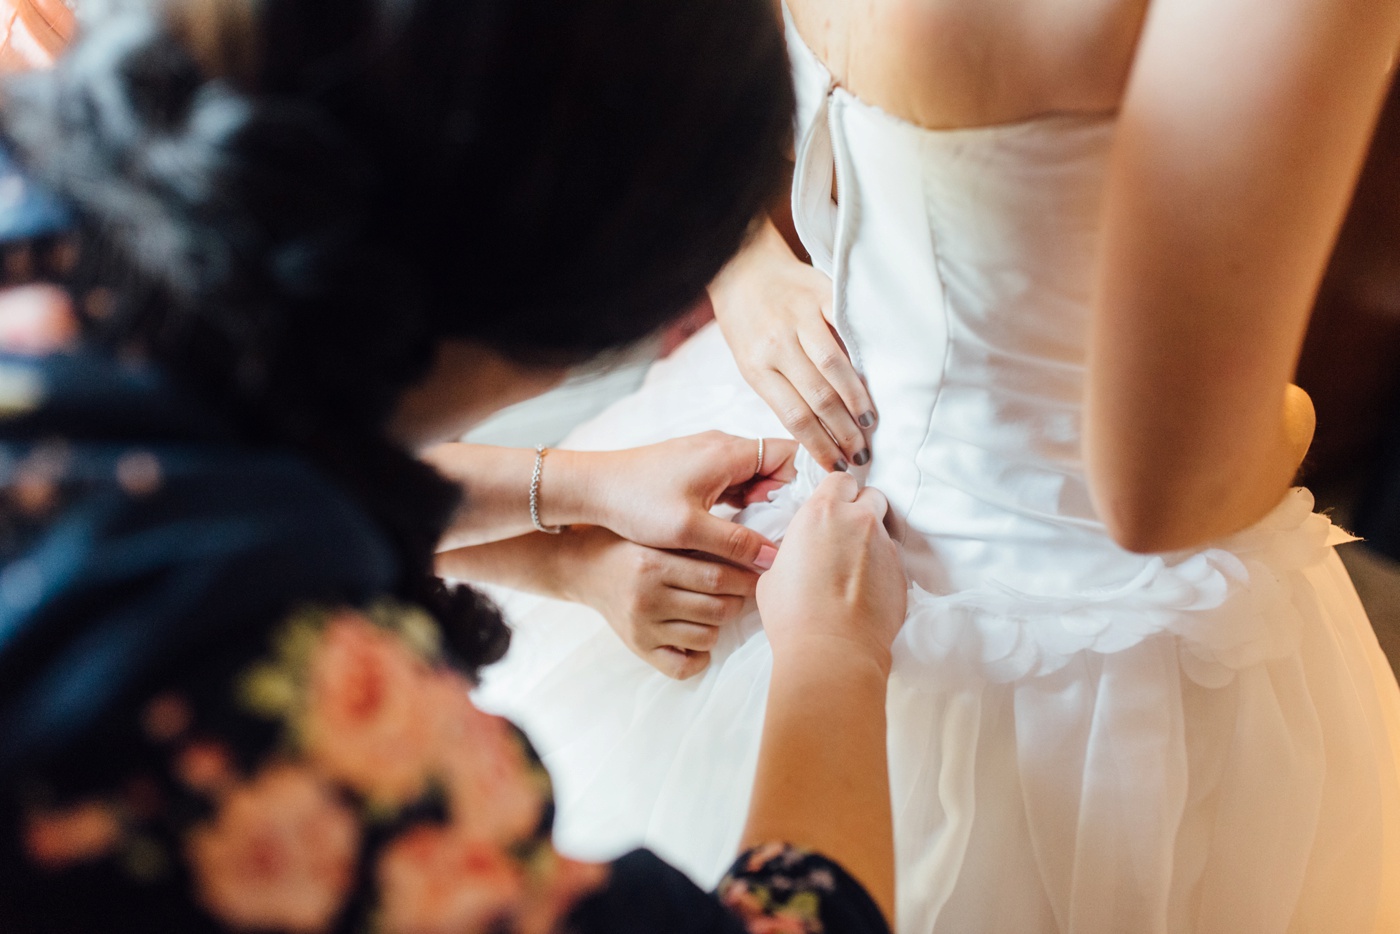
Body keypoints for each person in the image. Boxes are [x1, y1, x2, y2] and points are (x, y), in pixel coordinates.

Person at [452, 1, 1400, 931]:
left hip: (767, 493)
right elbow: (1165, 494)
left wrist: (739, 251)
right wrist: (1288, 413)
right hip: (1076, 611)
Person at [0, 1, 908, 931]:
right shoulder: (283, 741)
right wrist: (832, 657)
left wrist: (570, 491)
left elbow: (196, 466)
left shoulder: (49, 195)